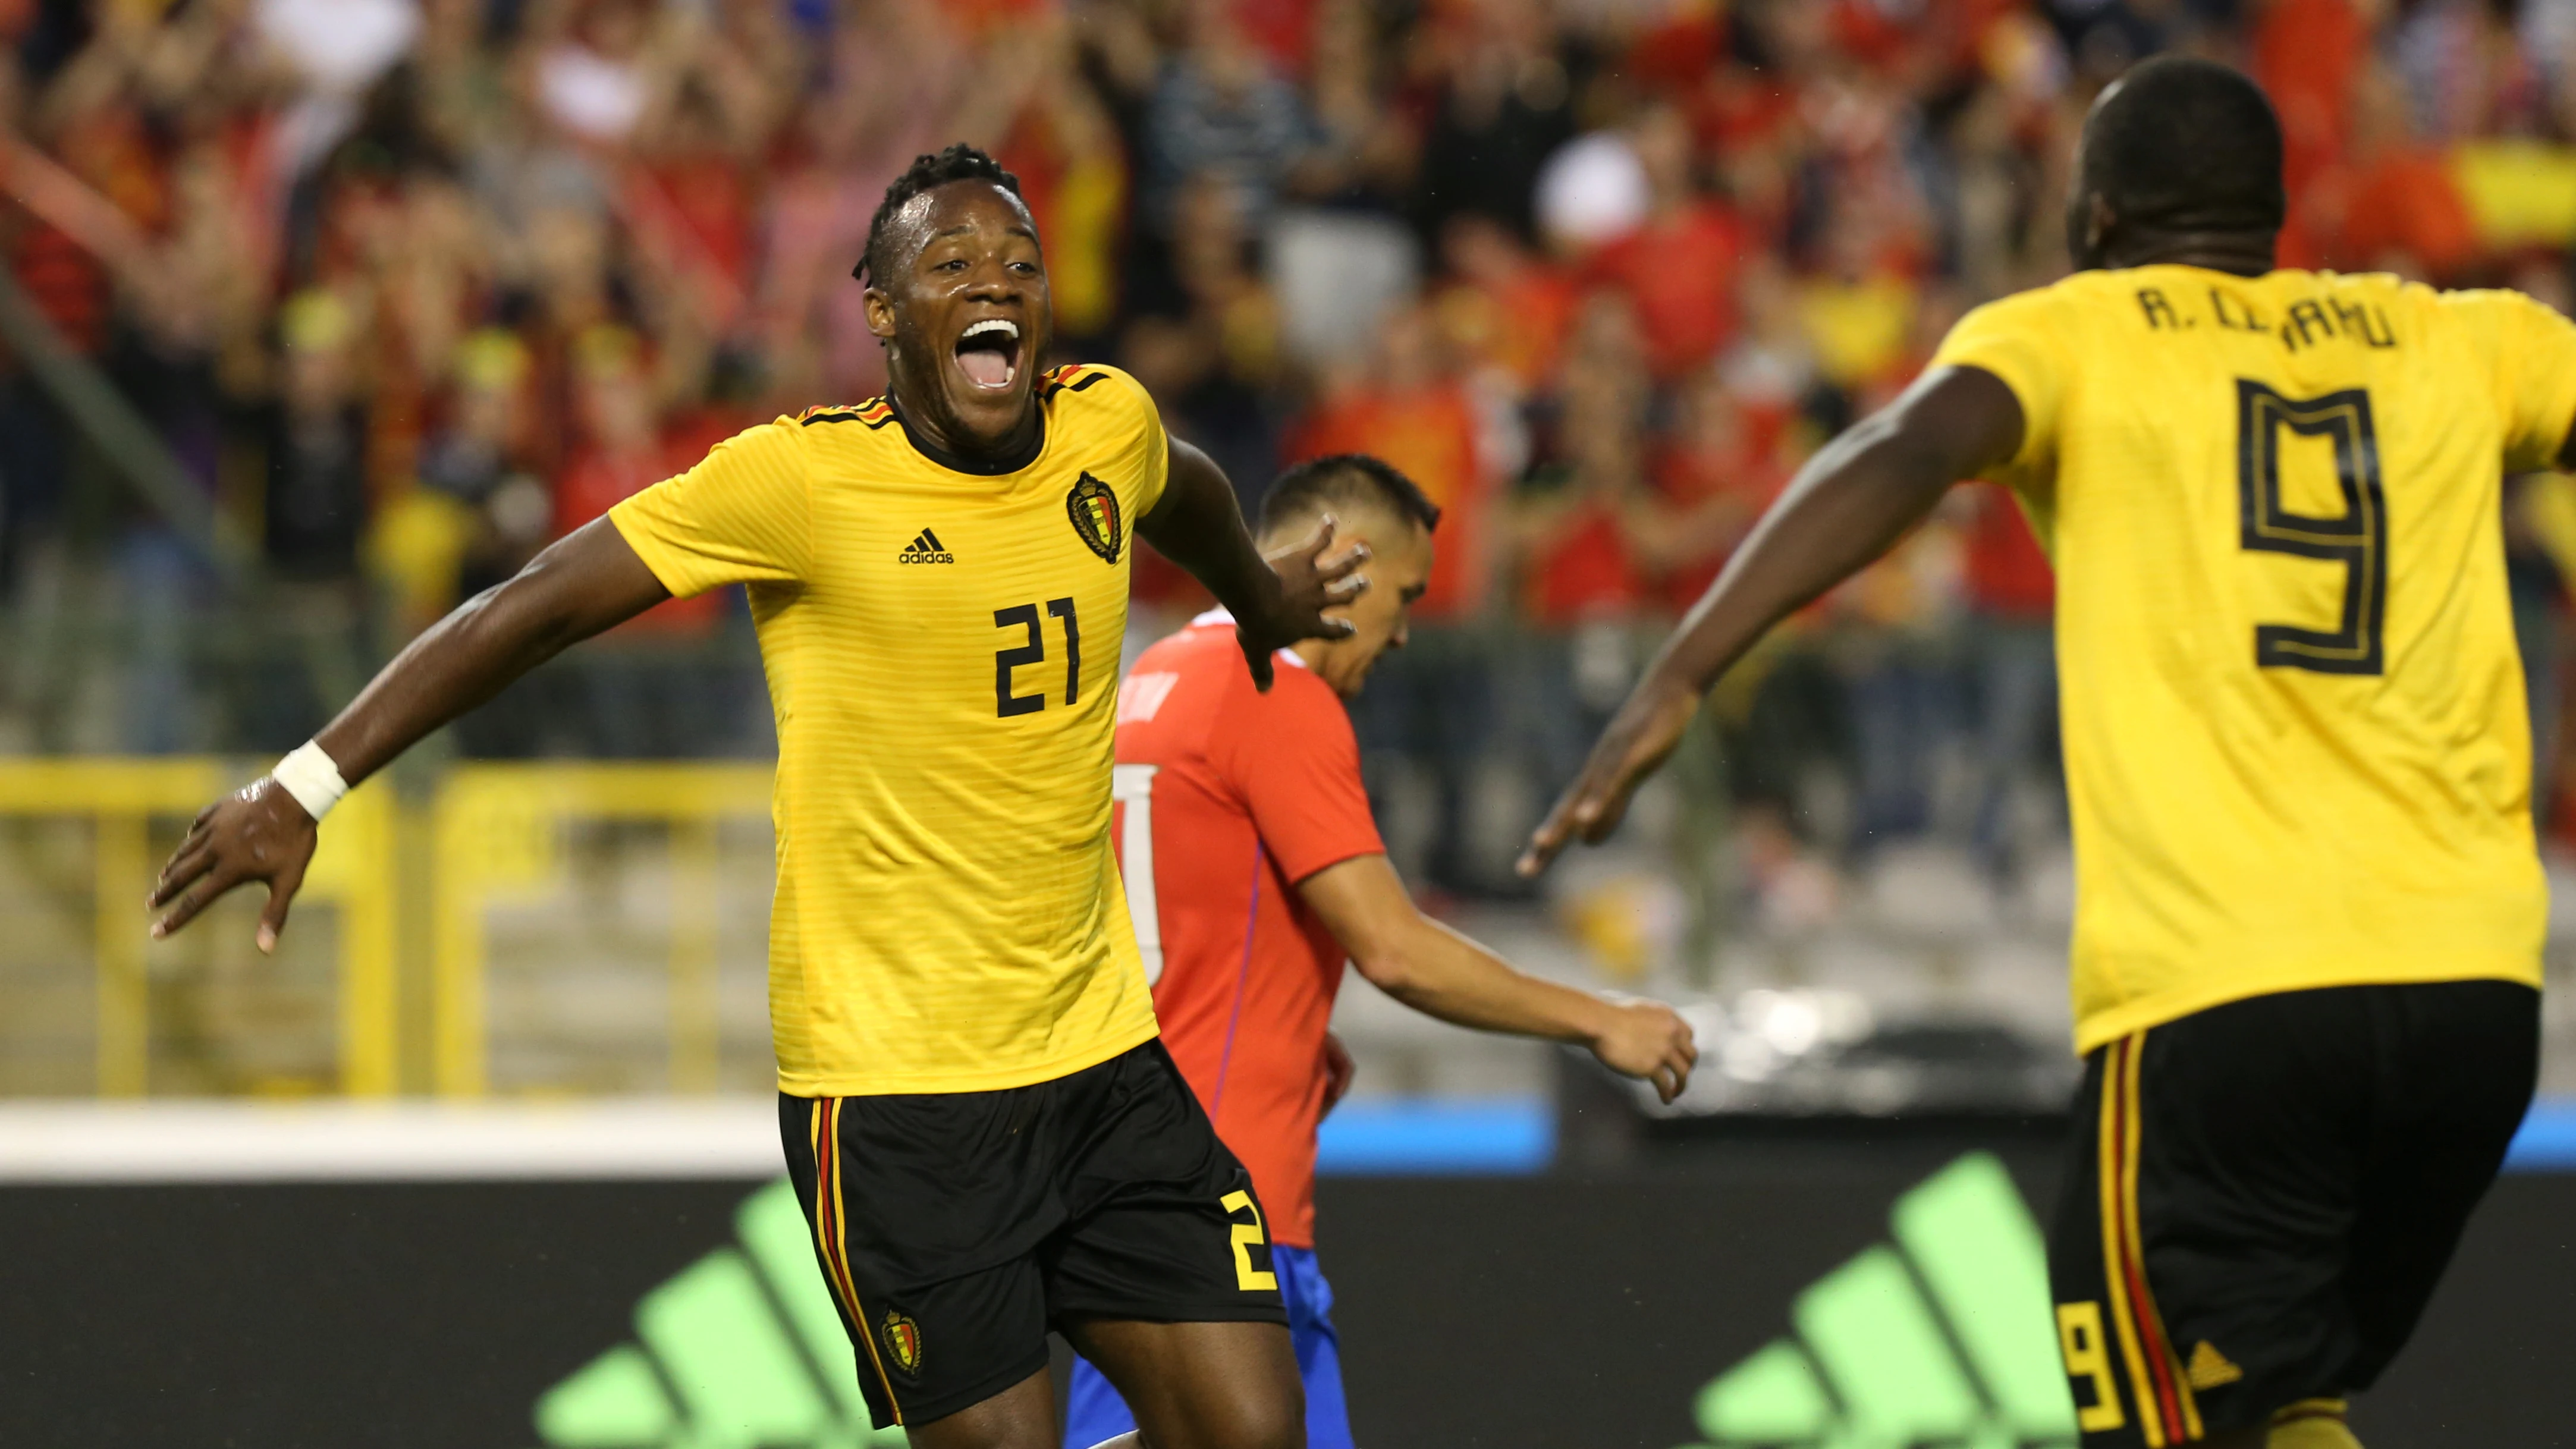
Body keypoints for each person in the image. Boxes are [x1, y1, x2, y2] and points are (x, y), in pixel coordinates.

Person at [147, 144, 1365, 1449]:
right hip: (900, 1101)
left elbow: (1186, 488)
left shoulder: (1100, 424)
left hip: (1104, 1062)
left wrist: (1259, 596)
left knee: (1258, 1430)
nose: (994, 282)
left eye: (1017, 261)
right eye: (949, 264)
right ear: (885, 315)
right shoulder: (797, 482)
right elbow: (532, 606)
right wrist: (309, 782)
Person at [1519, 58, 2564, 1449]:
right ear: (2274, 207)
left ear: (2099, 214)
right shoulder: (2465, 339)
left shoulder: (2084, 331)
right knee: (2274, 1399)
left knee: (2149, 1415)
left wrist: (1684, 667)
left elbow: (1902, 448)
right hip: (2476, 997)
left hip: (2230, 991)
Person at [1066, 454, 1698, 1449]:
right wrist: (1601, 1019)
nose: (1405, 630)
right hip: (1215, 1217)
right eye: (1403, 595)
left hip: (1147, 1194)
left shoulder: (1154, 676)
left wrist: (1286, 1016)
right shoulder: (1273, 686)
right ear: (1346, 563)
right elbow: (1395, 949)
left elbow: (1168, 912)